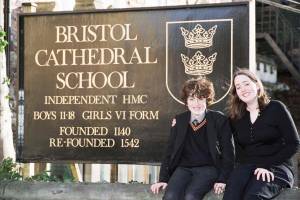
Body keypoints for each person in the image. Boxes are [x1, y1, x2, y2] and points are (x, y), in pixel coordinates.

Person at [150, 77, 234, 200]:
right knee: (170, 196)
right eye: (192, 99)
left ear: (207, 99)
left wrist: (223, 179)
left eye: (200, 98)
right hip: (184, 168)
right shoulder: (180, 120)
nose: (196, 103)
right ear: (186, 101)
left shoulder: (219, 120)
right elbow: (170, 151)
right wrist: (163, 179)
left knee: (191, 196)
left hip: (209, 168)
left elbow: (228, 152)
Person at [223, 69, 300, 200]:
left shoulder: (276, 108)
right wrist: (182, 121)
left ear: (257, 85)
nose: (243, 89)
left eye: (246, 84)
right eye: (238, 87)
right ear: (236, 93)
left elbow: (293, 143)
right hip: (248, 167)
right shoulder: (236, 117)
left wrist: (267, 166)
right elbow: (233, 147)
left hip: (277, 166)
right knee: (231, 195)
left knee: (253, 197)